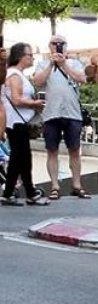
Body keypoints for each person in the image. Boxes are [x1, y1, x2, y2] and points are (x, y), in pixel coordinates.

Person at [33, 35, 89, 200]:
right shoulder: (43, 64)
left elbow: (82, 79)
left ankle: (77, 185)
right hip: (52, 113)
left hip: (72, 113)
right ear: (49, 46)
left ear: (66, 46)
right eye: (54, 43)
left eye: (61, 43)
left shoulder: (75, 63)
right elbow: (37, 81)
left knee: (74, 151)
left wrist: (64, 63)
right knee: (52, 151)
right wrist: (52, 63)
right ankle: (55, 186)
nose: (58, 46)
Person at [2, 44, 48, 206]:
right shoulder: (14, 75)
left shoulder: (17, 74)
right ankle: (28, 192)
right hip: (16, 122)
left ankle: (13, 192)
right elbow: (16, 99)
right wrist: (35, 103)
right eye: (30, 55)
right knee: (22, 158)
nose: (32, 58)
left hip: (16, 121)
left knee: (18, 158)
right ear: (21, 56)